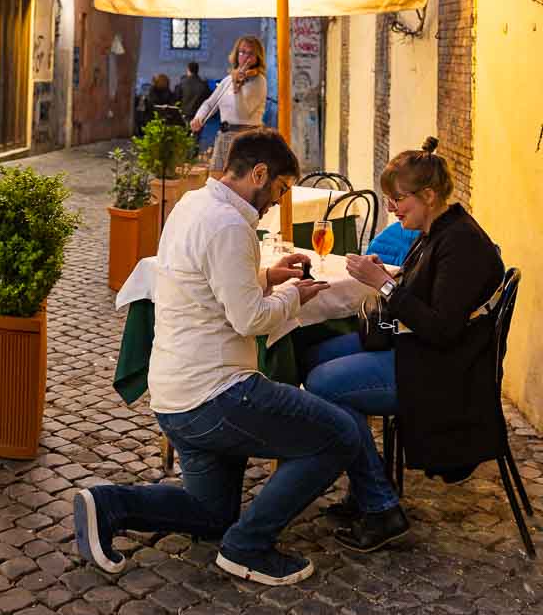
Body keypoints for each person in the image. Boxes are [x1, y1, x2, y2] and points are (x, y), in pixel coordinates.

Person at [74, 128, 363, 588]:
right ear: (259, 173)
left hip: (175, 399)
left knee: (212, 512)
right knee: (338, 434)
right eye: (279, 190)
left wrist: (267, 275)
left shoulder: (193, 204)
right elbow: (250, 320)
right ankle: (248, 547)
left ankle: (108, 504)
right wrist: (292, 295)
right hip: (218, 396)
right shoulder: (231, 226)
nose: (275, 202)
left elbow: (208, 284)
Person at [303, 137, 504, 554]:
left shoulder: (460, 242)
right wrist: (388, 276)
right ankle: (367, 484)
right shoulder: (437, 230)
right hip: (420, 352)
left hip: (443, 371)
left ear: (428, 196)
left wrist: (386, 285)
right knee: (312, 358)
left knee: (325, 385)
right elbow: (425, 295)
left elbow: (441, 329)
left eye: (399, 200)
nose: (392, 209)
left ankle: (380, 505)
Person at [190, 36, 267, 174]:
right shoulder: (227, 80)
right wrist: (199, 117)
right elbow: (210, 103)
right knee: (215, 180)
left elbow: (243, 113)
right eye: (242, 52)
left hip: (246, 138)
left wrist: (237, 89)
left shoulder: (258, 81)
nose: (245, 57)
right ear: (236, 54)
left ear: (257, 57)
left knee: (238, 183)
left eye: (250, 53)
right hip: (224, 136)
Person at [174, 60, 211, 129]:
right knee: (195, 138)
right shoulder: (204, 85)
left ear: (188, 70)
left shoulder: (182, 83)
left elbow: (176, 99)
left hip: (184, 116)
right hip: (198, 118)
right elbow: (208, 101)